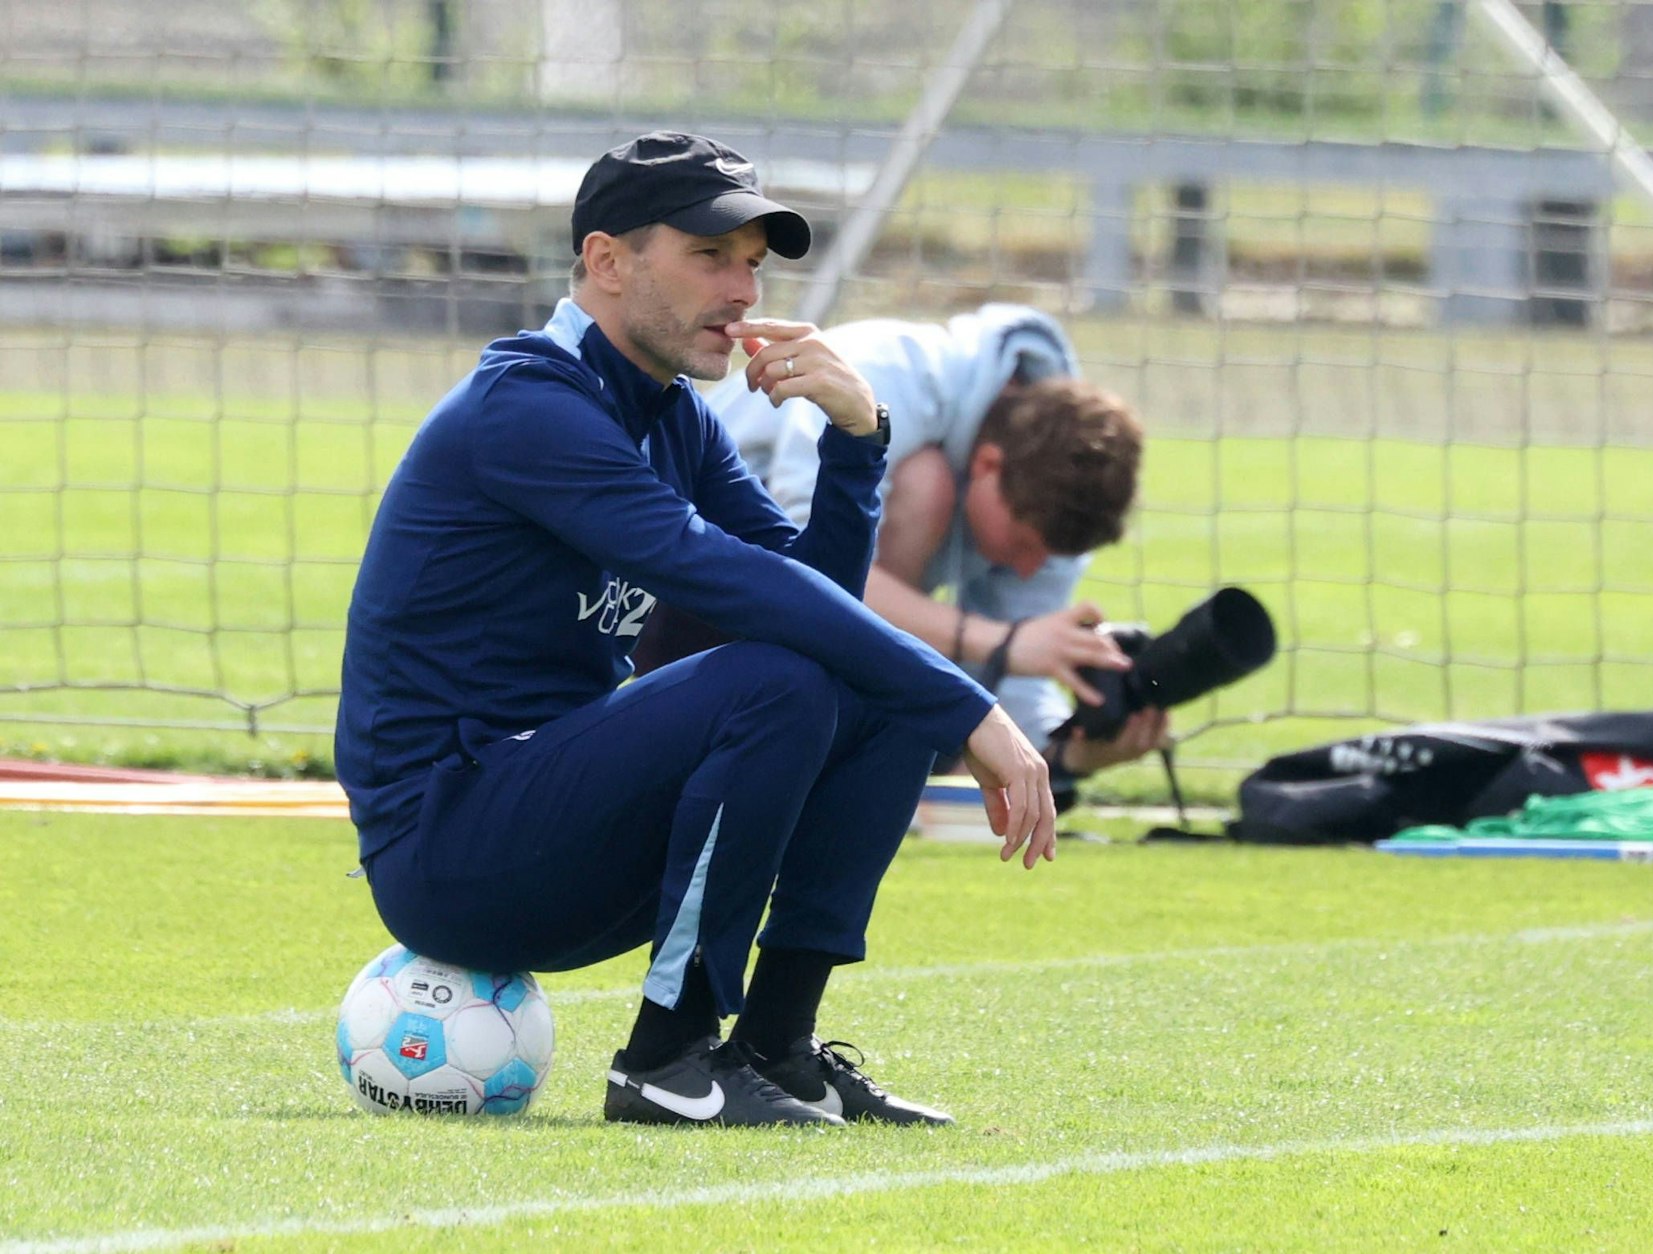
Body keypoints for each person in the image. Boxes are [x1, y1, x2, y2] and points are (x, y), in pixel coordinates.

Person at [334, 131, 1055, 1130]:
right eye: (709, 256)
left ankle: (775, 1050)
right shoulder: (528, 406)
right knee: (784, 680)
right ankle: (665, 1061)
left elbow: (815, 604)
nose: (742, 291)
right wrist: (972, 705)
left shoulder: (669, 417)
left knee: (862, 681)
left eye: (752, 264)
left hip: (567, 830)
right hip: (451, 850)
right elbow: (727, 580)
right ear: (606, 261)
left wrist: (857, 444)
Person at [640, 304, 1163, 809]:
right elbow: (810, 567)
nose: (1029, 569)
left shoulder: (1052, 507)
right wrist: (998, 641)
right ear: (987, 464)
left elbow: (1014, 688)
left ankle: (847, 750)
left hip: (797, 631)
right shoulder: (887, 371)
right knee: (924, 483)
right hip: (668, 589)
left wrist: (1073, 752)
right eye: (1025, 545)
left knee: (956, 739)